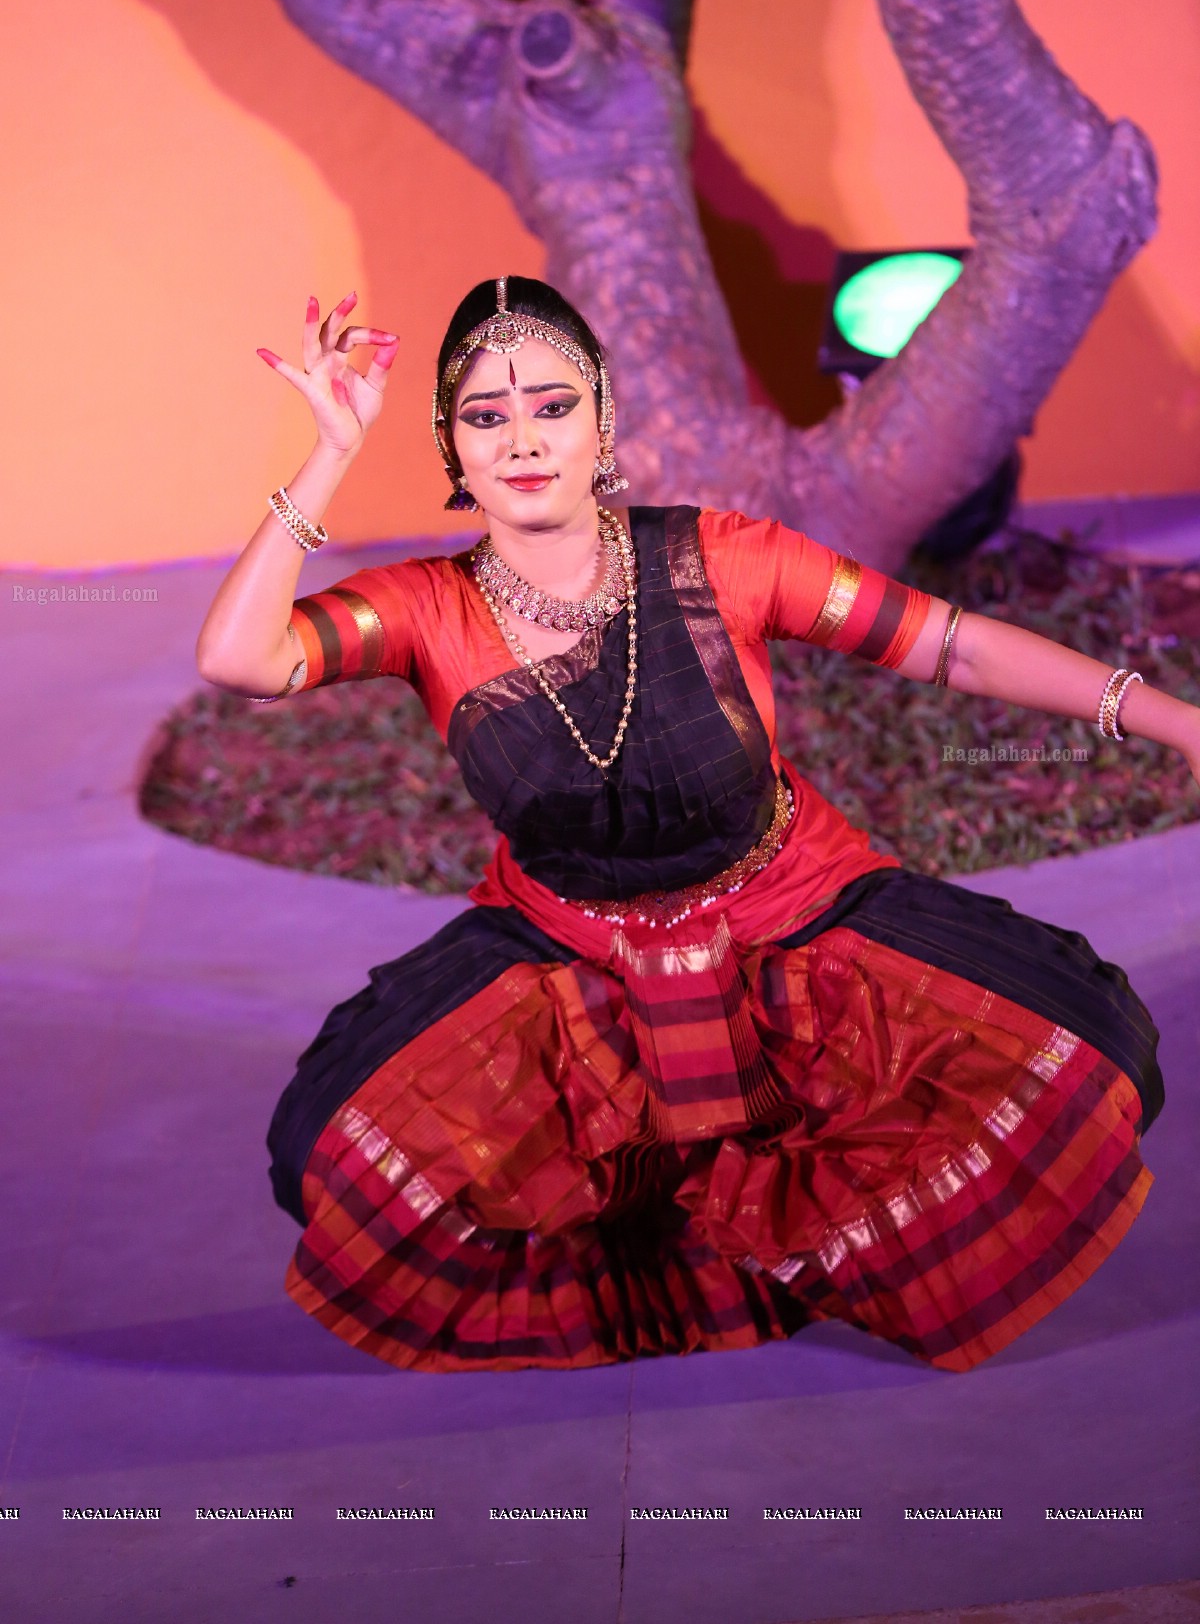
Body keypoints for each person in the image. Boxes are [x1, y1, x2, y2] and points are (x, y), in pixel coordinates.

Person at [197, 276, 1198, 1377]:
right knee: (326, 1155)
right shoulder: (426, 608)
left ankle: (816, 1243)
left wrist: (1169, 720)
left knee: (1090, 1051)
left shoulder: (725, 559)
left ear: (604, 423)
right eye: (485, 416)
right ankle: (669, 1258)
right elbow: (242, 660)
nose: (523, 439)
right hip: (568, 947)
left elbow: (950, 644)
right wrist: (331, 453)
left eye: (553, 406)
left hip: (788, 913)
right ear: (450, 445)